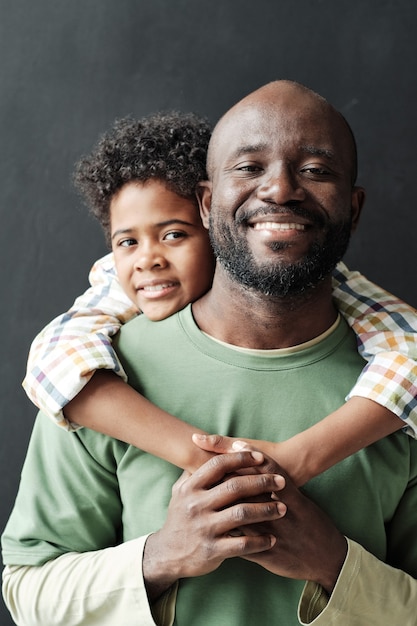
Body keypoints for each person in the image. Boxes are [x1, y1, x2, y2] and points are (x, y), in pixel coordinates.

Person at [3, 80, 417, 625]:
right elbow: (27, 587)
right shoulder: (97, 370)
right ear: (205, 202)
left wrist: (332, 563)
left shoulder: (400, 388)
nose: (281, 190)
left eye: (316, 170)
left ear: (353, 207)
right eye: (248, 168)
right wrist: (161, 556)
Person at [21, 112, 417, 485]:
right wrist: (203, 457)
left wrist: (297, 458)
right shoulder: (117, 282)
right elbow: (55, 364)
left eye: (174, 234)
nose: (148, 259)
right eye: (127, 241)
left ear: (216, 222)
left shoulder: (323, 283)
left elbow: (410, 349)